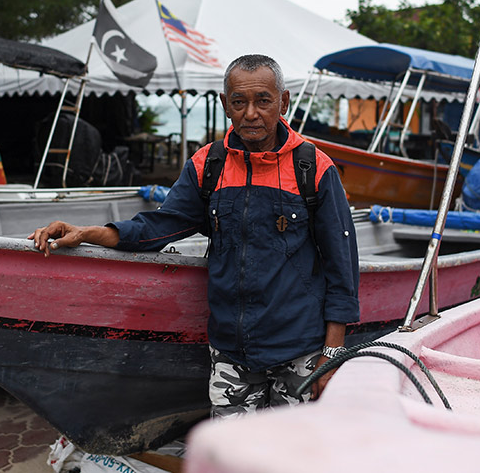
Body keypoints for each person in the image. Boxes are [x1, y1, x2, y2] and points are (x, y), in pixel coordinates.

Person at [29, 54, 359, 417]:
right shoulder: (208, 165)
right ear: (225, 105)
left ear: (283, 102)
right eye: (239, 102)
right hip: (232, 352)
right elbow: (158, 227)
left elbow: (341, 266)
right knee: (228, 456)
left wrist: (332, 353)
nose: (251, 113)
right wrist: (86, 233)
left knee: (292, 457)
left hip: (301, 349)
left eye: (263, 100)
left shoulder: (312, 168)